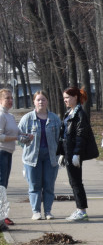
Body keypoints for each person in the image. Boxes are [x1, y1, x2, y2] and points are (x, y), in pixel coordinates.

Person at [17, 91, 61, 220]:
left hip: (51, 157)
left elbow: (60, 137)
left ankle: (48, 211)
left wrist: (62, 154)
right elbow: (19, 137)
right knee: (35, 185)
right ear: (34, 102)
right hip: (32, 158)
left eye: (43, 100)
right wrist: (26, 139)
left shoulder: (54, 118)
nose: (41, 102)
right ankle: (36, 211)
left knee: (49, 185)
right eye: (38, 100)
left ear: (47, 101)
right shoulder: (27, 118)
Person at [59, 87, 97, 222]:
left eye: (67, 97)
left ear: (75, 97)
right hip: (68, 151)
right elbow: (65, 134)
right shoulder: (69, 112)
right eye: (64, 98)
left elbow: (81, 135)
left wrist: (76, 153)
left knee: (76, 182)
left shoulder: (80, 113)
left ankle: (81, 210)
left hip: (74, 152)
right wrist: (63, 153)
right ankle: (79, 209)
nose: (65, 100)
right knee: (73, 181)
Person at [0, 88, 20, 226]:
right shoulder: (1, 115)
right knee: (1, 185)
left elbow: (18, 132)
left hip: (8, 153)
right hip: (1, 152)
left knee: (4, 185)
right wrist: (17, 138)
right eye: (7, 98)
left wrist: (25, 136)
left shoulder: (10, 116)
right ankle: (2, 216)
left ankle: (3, 215)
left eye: (11, 98)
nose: (10, 100)